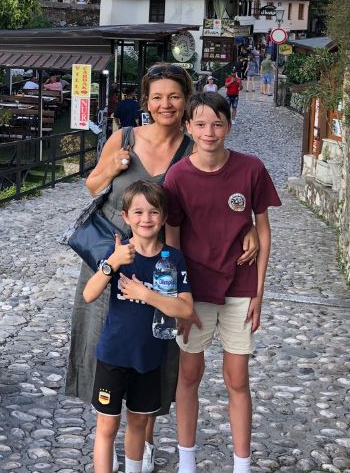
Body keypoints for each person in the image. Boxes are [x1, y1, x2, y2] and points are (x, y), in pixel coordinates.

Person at [67, 63, 259, 472]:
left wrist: (251, 230)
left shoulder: (193, 147)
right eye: (157, 97)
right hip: (113, 258)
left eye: (174, 96)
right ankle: (106, 435)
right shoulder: (124, 137)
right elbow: (92, 186)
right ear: (146, 101)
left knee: (155, 350)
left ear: (186, 100)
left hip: (163, 264)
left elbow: (216, 200)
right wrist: (111, 167)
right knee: (106, 342)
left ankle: (144, 444)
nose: (165, 104)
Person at [163, 92, 278, 473]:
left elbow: (263, 229)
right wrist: (179, 294)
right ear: (188, 128)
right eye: (200, 124)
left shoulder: (251, 169)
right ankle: (187, 461)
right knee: (189, 375)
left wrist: (259, 294)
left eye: (217, 123)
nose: (209, 131)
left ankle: (241, 465)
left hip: (240, 288)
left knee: (237, 378)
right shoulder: (177, 176)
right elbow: (172, 236)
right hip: (194, 291)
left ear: (229, 125)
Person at [83, 180, 193, 473]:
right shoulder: (118, 253)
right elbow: (89, 294)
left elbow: (184, 308)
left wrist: (146, 295)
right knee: (106, 425)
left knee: (138, 423)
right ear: (126, 216)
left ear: (164, 217)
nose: (146, 219)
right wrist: (112, 264)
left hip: (149, 357)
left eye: (154, 212)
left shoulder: (172, 258)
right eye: (139, 212)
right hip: (114, 355)